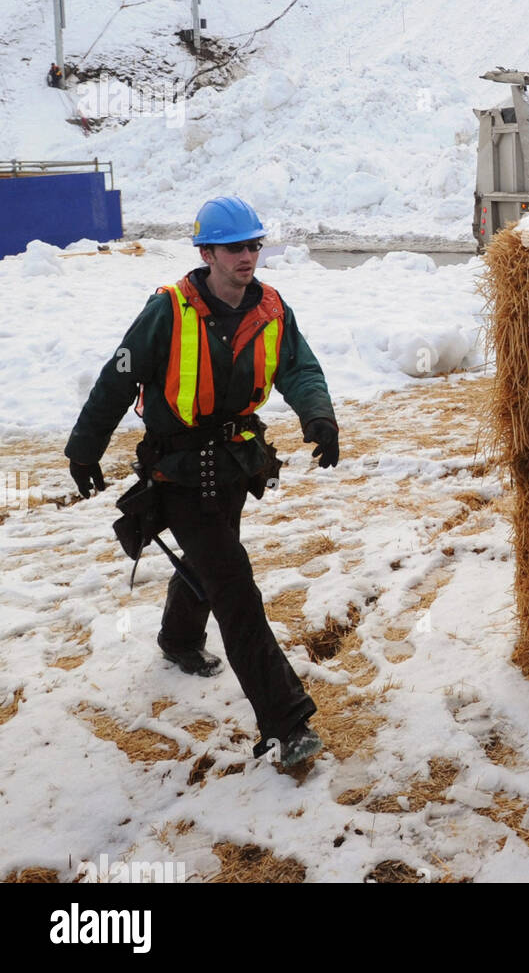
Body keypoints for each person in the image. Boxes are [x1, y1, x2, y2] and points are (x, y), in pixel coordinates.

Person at [65, 196, 340, 769]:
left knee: (209, 563)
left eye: (254, 245)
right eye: (235, 247)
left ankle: (179, 639)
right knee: (236, 590)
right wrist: (84, 449)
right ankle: (288, 724)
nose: (248, 256)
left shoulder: (269, 307)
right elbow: (118, 380)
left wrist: (319, 416)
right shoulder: (168, 310)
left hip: (237, 465)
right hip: (181, 473)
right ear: (206, 252)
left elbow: (299, 367)